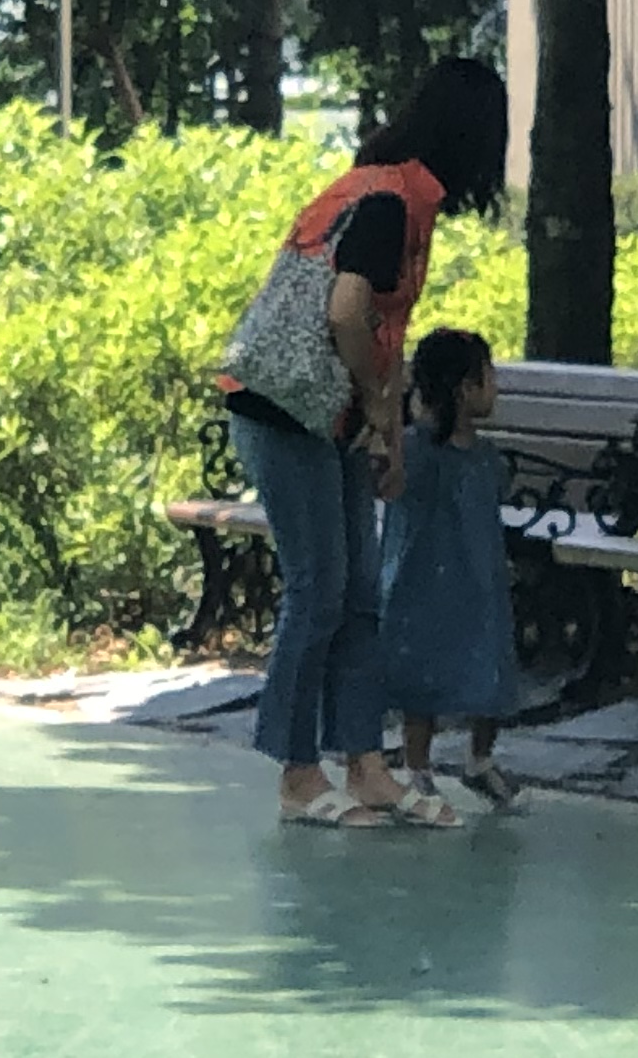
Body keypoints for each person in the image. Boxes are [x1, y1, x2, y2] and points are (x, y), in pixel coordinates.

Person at [217, 56, 507, 827]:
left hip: (330, 416)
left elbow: (387, 326)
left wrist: (389, 436)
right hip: (285, 411)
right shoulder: (386, 202)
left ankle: (366, 764)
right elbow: (348, 312)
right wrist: (380, 401)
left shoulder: (390, 194)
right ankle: (298, 773)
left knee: (359, 595)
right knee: (319, 589)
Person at [379, 328, 527, 812]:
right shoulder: (416, 453)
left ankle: (480, 759)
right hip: (425, 581)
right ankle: (417, 767)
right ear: (465, 389)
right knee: (422, 674)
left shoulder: (484, 457)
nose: (495, 387)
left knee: (491, 666)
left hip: (479, 581)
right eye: (489, 376)